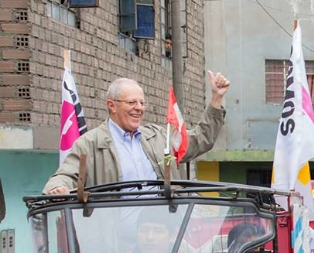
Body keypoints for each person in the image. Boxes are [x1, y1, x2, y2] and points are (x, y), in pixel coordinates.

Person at [43, 70, 231, 194]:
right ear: (112, 105)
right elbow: (66, 175)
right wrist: (57, 188)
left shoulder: (159, 138)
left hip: (164, 237)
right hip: (116, 242)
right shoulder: (90, 144)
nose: (139, 108)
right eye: (132, 102)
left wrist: (216, 99)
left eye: (142, 103)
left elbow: (199, 140)